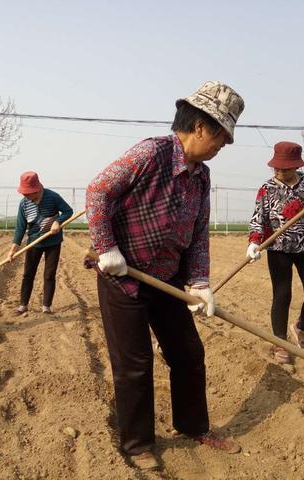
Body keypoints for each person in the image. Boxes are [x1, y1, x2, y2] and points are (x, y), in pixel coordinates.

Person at [85, 81, 245, 470]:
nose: (221, 147)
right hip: (123, 276)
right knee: (135, 362)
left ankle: (194, 426)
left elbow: (199, 233)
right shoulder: (152, 152)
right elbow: (97, 192)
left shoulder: (201, 177)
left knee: (188, 353)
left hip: (167, 280)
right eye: (222, 138)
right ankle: (138, 443)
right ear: (201, 127)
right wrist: (106, 248)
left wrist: (201, 282)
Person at [247, 141, 304, 364]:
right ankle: (280, 342)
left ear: (296, 166)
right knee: (282, 296)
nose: (279, 171)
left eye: (285, 168)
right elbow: (258, 220)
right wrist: (254, 242)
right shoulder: (267, 188)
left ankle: (301, 326)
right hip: (279, 250)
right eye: (276, 167)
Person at [8, 171, 73, 315]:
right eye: (23, 193)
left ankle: (46, 306)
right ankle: (23, 305)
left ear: (37, 189)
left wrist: (58, 222)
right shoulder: (24, 204)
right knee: (28, 273)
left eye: (28, 193)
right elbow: (20, 227)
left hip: (53, 242)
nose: (25, 196)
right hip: (34, 242)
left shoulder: (53, 197)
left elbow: (68, 211)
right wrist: (13, 248)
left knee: (49, 274)